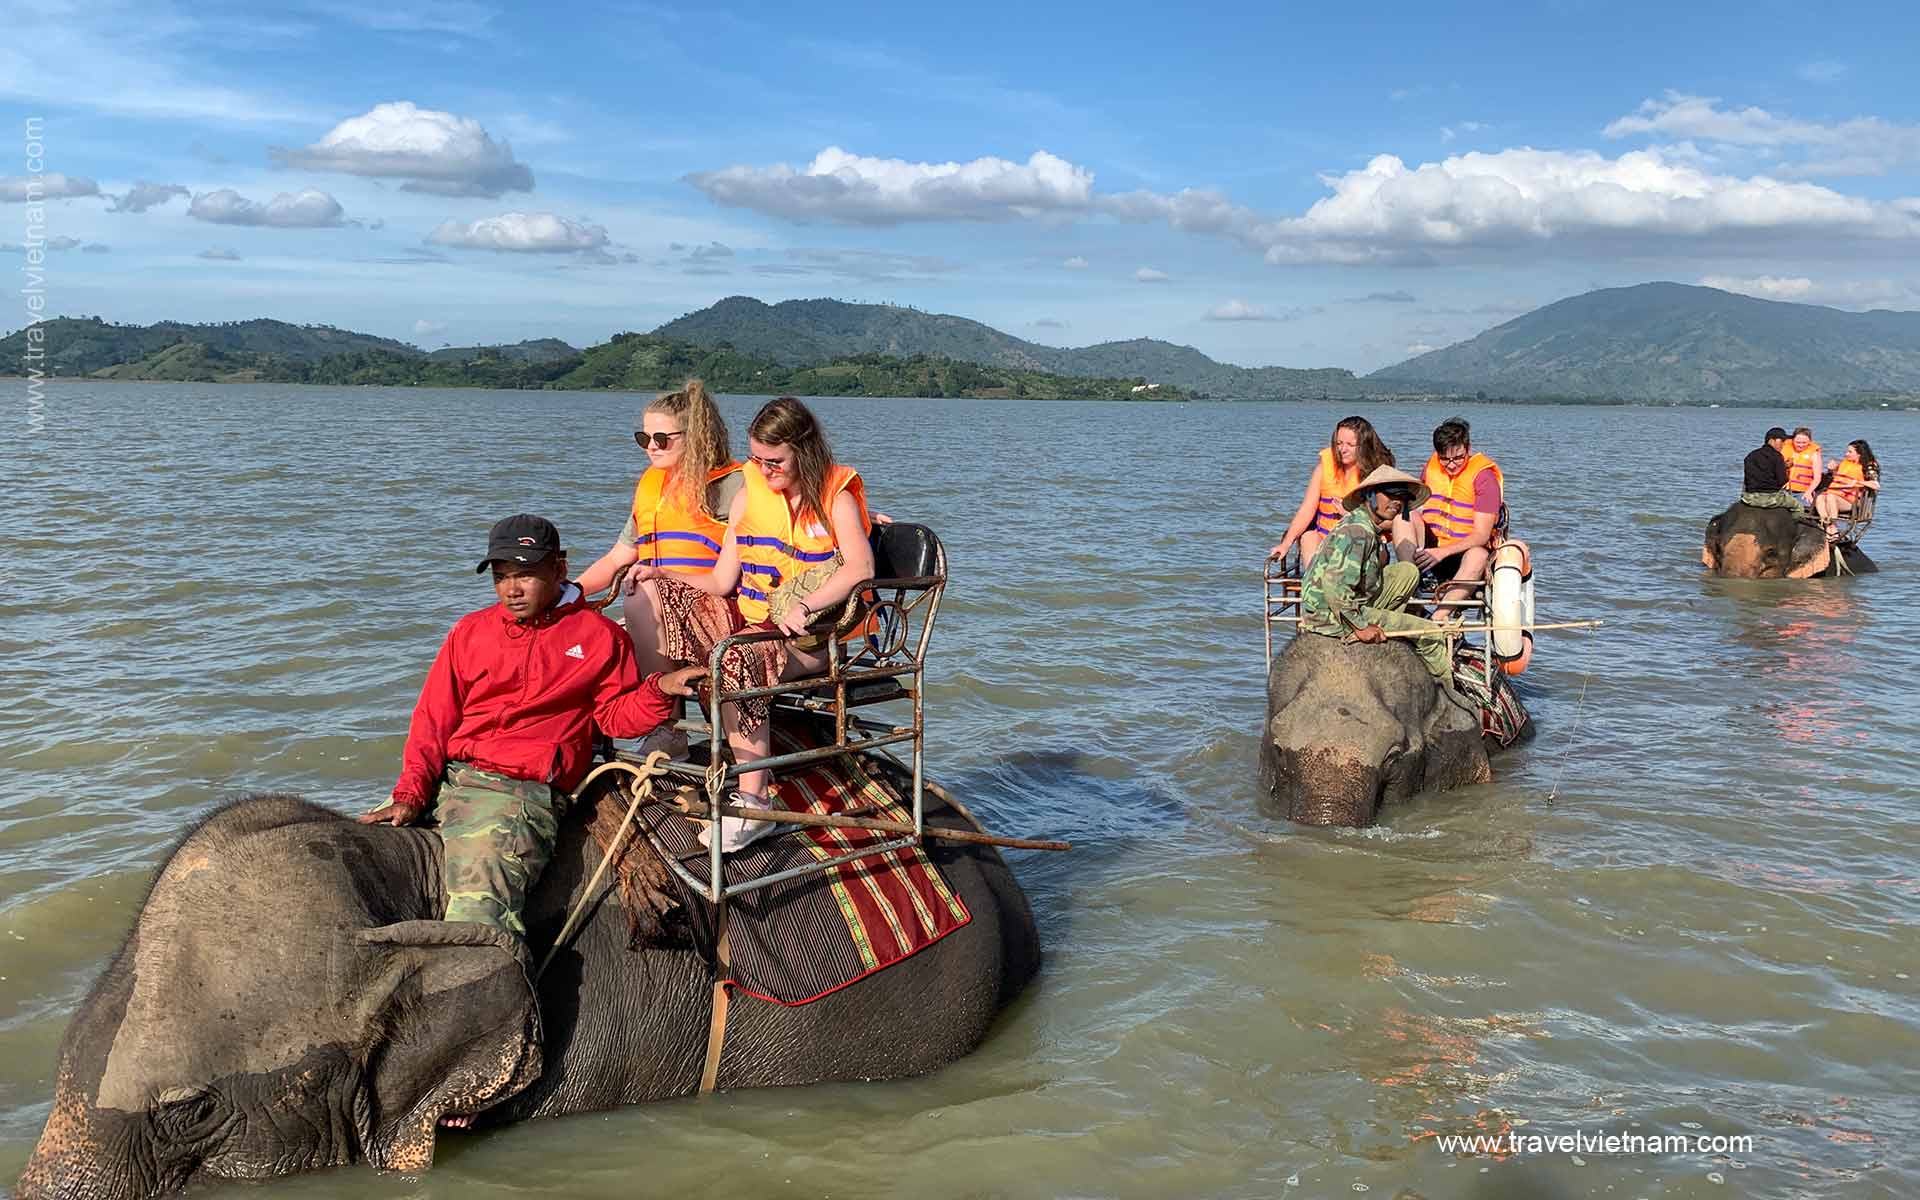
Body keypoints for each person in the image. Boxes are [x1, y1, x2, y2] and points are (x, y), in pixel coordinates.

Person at [360, 515, 704, 938]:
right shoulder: (471, 631)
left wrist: (660, 688)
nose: (512, 589)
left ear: (559, 569)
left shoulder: (598, 636)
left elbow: (615, 717)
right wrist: (410, 792)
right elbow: (433, 719)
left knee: (477, 924)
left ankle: (502, 985)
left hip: (518, 792)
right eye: (502, 577)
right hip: (449, 779)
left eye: (525, 574)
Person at [650, 397, 876, 850]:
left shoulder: (837, 495)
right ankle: (665, 727)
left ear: (805, 452)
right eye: (757, 459)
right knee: (650, 593)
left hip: (807, 639)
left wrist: (807, 606)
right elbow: (720, 580)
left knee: (734, 655)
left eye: (776, 461)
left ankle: (754, 804)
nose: (765, 470)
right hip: (756, 626)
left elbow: (861, 568)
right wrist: (661, 574)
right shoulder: (750, 493)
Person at [574, 380, 743, 680]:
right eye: (644, 438)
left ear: (696, 437)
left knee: (642, 594)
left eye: (662, 438)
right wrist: (568, 592)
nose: (651, 446)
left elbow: (729, 578)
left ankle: (661, 719)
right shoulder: (653, 488)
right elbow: (617, 559)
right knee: (584, 641)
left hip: (718, 605)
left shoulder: (733, 486)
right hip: (655, 603)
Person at [1299, 465, 1458, 684]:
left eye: (1402, 497)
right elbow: (1335, 585)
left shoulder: (1364, 524)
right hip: (1330, 617)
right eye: (1390, 494)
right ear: (1370, 495)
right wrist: (1361, 627)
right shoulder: (1358, 532)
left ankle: (1393, 627)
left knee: (1407, 572)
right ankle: (1446, 692)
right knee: (1430, 632)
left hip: (1339, 604)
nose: (1396, 502)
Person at [1268, 416, 1396, 569]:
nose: (1343, 449)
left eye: (1350, 444)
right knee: (1309, 536)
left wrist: (1353, 516)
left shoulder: (1379, 475)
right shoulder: (1323, 469)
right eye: (1339, 443)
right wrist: (1285, 544)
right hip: (1327, 541)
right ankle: (1317, 584)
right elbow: (1306, 510)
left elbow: (1393, 522)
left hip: (1363, 543)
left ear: (1364, 446)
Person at [1413, 417, 1507, 605]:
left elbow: (1481, 536)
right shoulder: (1430, 470)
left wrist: (1442, 553)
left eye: (1458, 457)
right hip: (1430, 556)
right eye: (1445, 459)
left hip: (1465, 555)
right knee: (1405, 517)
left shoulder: (1485, 479)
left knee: (1478, 555)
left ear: (1468, 448)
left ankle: (1440, 617)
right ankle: (1412, 581)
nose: (1452, 464)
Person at [1813, 439, 1880, 535]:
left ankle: (1833, 526)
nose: (1846, 454)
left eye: (1850, 452)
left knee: (1830, 497)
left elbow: (1876, 485)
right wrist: (1832, 470)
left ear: (1859, 454)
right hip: (1835, 496)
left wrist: (1857, 482)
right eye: (1847, 451)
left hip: (1851, 502)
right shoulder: (1845, 463)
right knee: (1820, 497)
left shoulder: (1868, 466)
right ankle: (1827, 526)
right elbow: (1838, 478)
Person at [1741, 427, 1799, 509]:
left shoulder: (1751, 455)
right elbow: (1782, 481)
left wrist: (1783, 466)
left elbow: (1755, 474)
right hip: (1770, 497)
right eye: (1782, 441)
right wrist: (1784, 468)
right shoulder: (1777, 456)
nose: (1783, 444)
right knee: (1798, 507)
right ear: (1772, 440)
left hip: (1750, 497)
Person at [1782, 426, 1822, 505]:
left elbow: (1817, 478)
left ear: (1810, 441)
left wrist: (1808, 492)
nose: (1800, 445)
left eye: (1804, 443)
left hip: (1802, 491)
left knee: (1803, 505)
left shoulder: (1814, 454)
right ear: (1793, 440)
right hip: (1783, 490)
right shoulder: (1784, 448)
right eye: (1798, 442)